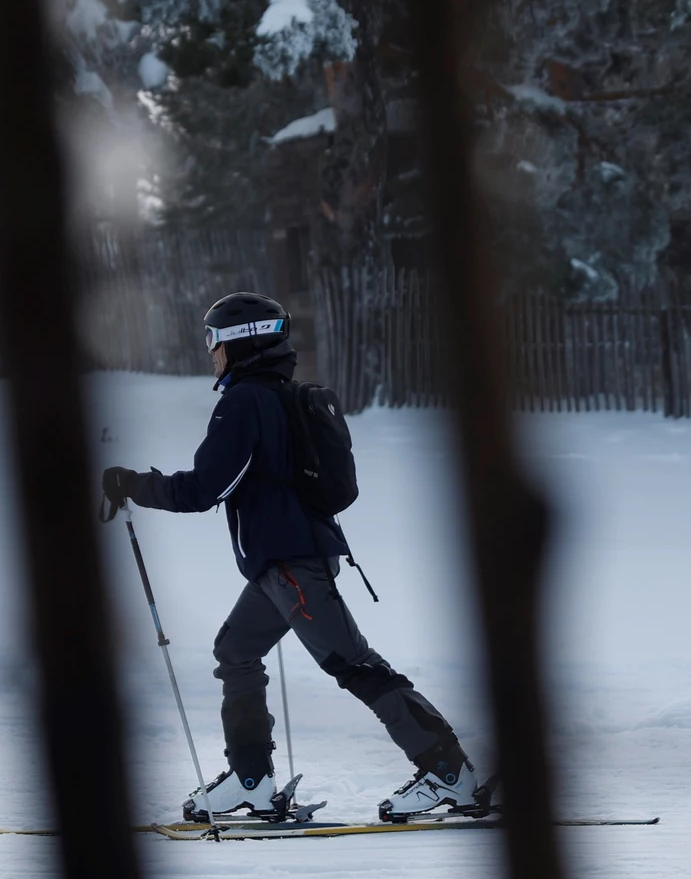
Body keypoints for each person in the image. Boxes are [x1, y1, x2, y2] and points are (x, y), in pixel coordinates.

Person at [102, 292, 477, 821]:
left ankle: (449, 772)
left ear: (238, 341)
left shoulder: (245, 402)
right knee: (235, 650)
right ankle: (252, 781)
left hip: (290, 565)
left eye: (213, 339)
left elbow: (205, 489)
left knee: (354, 664)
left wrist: (135, 485)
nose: (209, 351)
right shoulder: (280, 394)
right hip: (280, 564)